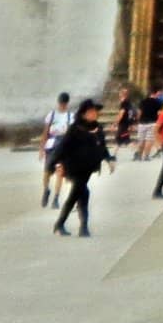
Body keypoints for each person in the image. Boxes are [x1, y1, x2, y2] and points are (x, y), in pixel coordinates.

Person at [52, 99, 115, 236]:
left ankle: (63, 225)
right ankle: (80, 227)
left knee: (80, 194)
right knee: (80, 193)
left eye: (95, 111)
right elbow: (62, 147)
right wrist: (55, 164)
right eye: (90, 112)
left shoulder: (97, 128)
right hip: (74, 167)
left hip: (88, 168)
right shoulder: (75, 128)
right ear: (83, 114)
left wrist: (109, 159)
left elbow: (102, 146)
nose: (94, 114)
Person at [39, 92, 73, 208]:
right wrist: (41, 148)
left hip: (63, 145)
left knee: (60, 172)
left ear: (67, 104)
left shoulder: (70, 116)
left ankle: (56, 198)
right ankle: (46, 190)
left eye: (64, 103)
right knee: (47, 172)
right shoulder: (52, 115)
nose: (62, 105)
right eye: (60, 103)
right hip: (51, 145)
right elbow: (45, 132)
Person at [134, 86, 162, 161]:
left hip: (142, 123)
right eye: (158, 94)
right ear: (155, 93)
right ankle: (146, 156)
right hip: (152, 123)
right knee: (149, 140)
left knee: (141, 140)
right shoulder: (158, 102)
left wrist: (137, 121)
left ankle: (139, 156)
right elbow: (159, 114)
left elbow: (139, 112)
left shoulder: (143, 101)